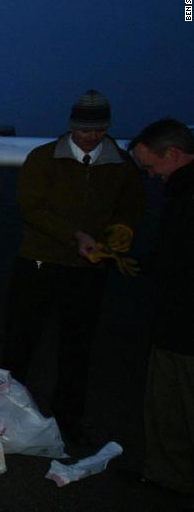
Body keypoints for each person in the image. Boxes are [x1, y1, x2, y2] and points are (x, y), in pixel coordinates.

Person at [0, 90, 146, 445]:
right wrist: (75, 236)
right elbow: (31, 208)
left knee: (76, 348)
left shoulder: (122, 166)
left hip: (88, 272)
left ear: (107, 127)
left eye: (98, 130)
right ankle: (1, 410)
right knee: (20, 342)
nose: (91, 136)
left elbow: (132, 207)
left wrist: (120, 232)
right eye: (84, 130)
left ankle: (68, 421)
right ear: (70, 126)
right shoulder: (43, 158)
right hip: (38, 263)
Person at [127, 118, 194, 498]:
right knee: (166, 405)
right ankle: (168, 477)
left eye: (152, 167)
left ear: (173, 154)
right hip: (172, 322)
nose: (152, 177)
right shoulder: (181, 195)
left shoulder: (188, 197)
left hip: (186, 326)